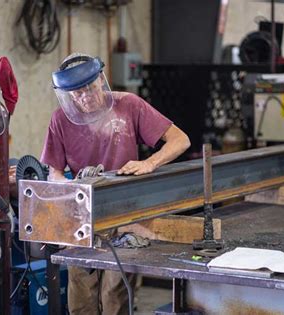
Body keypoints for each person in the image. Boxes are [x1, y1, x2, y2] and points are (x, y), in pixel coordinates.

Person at [41, 53, 190, 315]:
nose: (84, 97)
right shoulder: (60, 119)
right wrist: (69, 185)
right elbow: (53, 173)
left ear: (101, 80)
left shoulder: (128, 105)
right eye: (76, 93)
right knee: (81, 296)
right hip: (82, 216)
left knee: (114, 294)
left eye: (89, 87)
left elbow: (181, 140)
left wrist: (150, 163)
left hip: (124, 213)